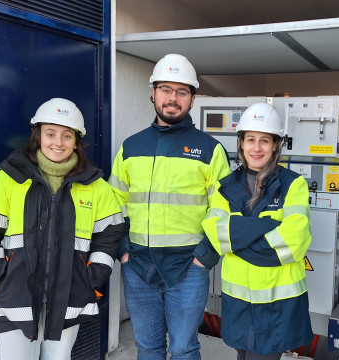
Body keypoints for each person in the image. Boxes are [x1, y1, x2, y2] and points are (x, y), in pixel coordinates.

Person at [0, 98, 124, 360]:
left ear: (76, 141)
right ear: (38, 136)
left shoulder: (96, 186)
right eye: (50, 134)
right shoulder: (10, 177)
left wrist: (91, 277)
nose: (58, 143)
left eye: (67, 136)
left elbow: (111, 234)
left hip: (70, 297)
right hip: (17, 299)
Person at [109, 53, 230, 359]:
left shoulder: (210, 150)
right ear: (153, 93)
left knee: (183, 348)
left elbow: (224, 208)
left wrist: (205, 257)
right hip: (137, 265)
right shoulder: (130, 147)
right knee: (148, 347)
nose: (172, 98)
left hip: (188, 267)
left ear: (192, 98)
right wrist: (123, 249)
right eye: (165, 89)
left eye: (181, 91)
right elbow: (114, 203)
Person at [200, 103, 313, 360]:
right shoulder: (224, 187)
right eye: (250, 139)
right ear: (241, 143)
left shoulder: (292, 185)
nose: (257, 147)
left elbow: (293, 241)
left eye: (265, 140)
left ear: (275, 145)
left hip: (277, 306)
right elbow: (216, 234)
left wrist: (237, 240)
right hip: (238, 303)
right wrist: (267, 227)